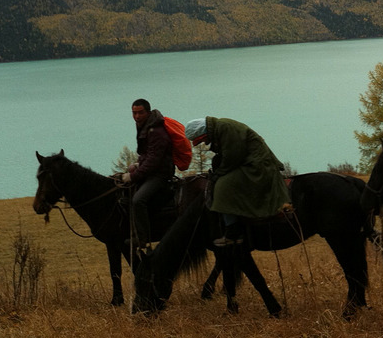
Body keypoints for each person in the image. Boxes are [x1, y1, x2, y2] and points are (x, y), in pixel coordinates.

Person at [184, 116, 290, 247]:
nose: (204, 143)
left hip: (256, 165)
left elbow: (233, 156)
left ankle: (232, 232)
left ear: (204, 132)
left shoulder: (225, 128)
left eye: (202, 139)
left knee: (223, 187)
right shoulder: (220, 129)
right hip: (247, 162)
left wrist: (219, 173)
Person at [122, 98, 175, 247]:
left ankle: (142, 238)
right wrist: (138, 163)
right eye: (134, 113)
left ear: (148, 112)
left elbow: (154, 161)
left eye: (140, 113)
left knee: (138, 200)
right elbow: (148, 153)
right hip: (154, 170)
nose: (137, 116)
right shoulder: (146, 126)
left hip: (160, 174)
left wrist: (133, 176)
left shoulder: (156, 131)